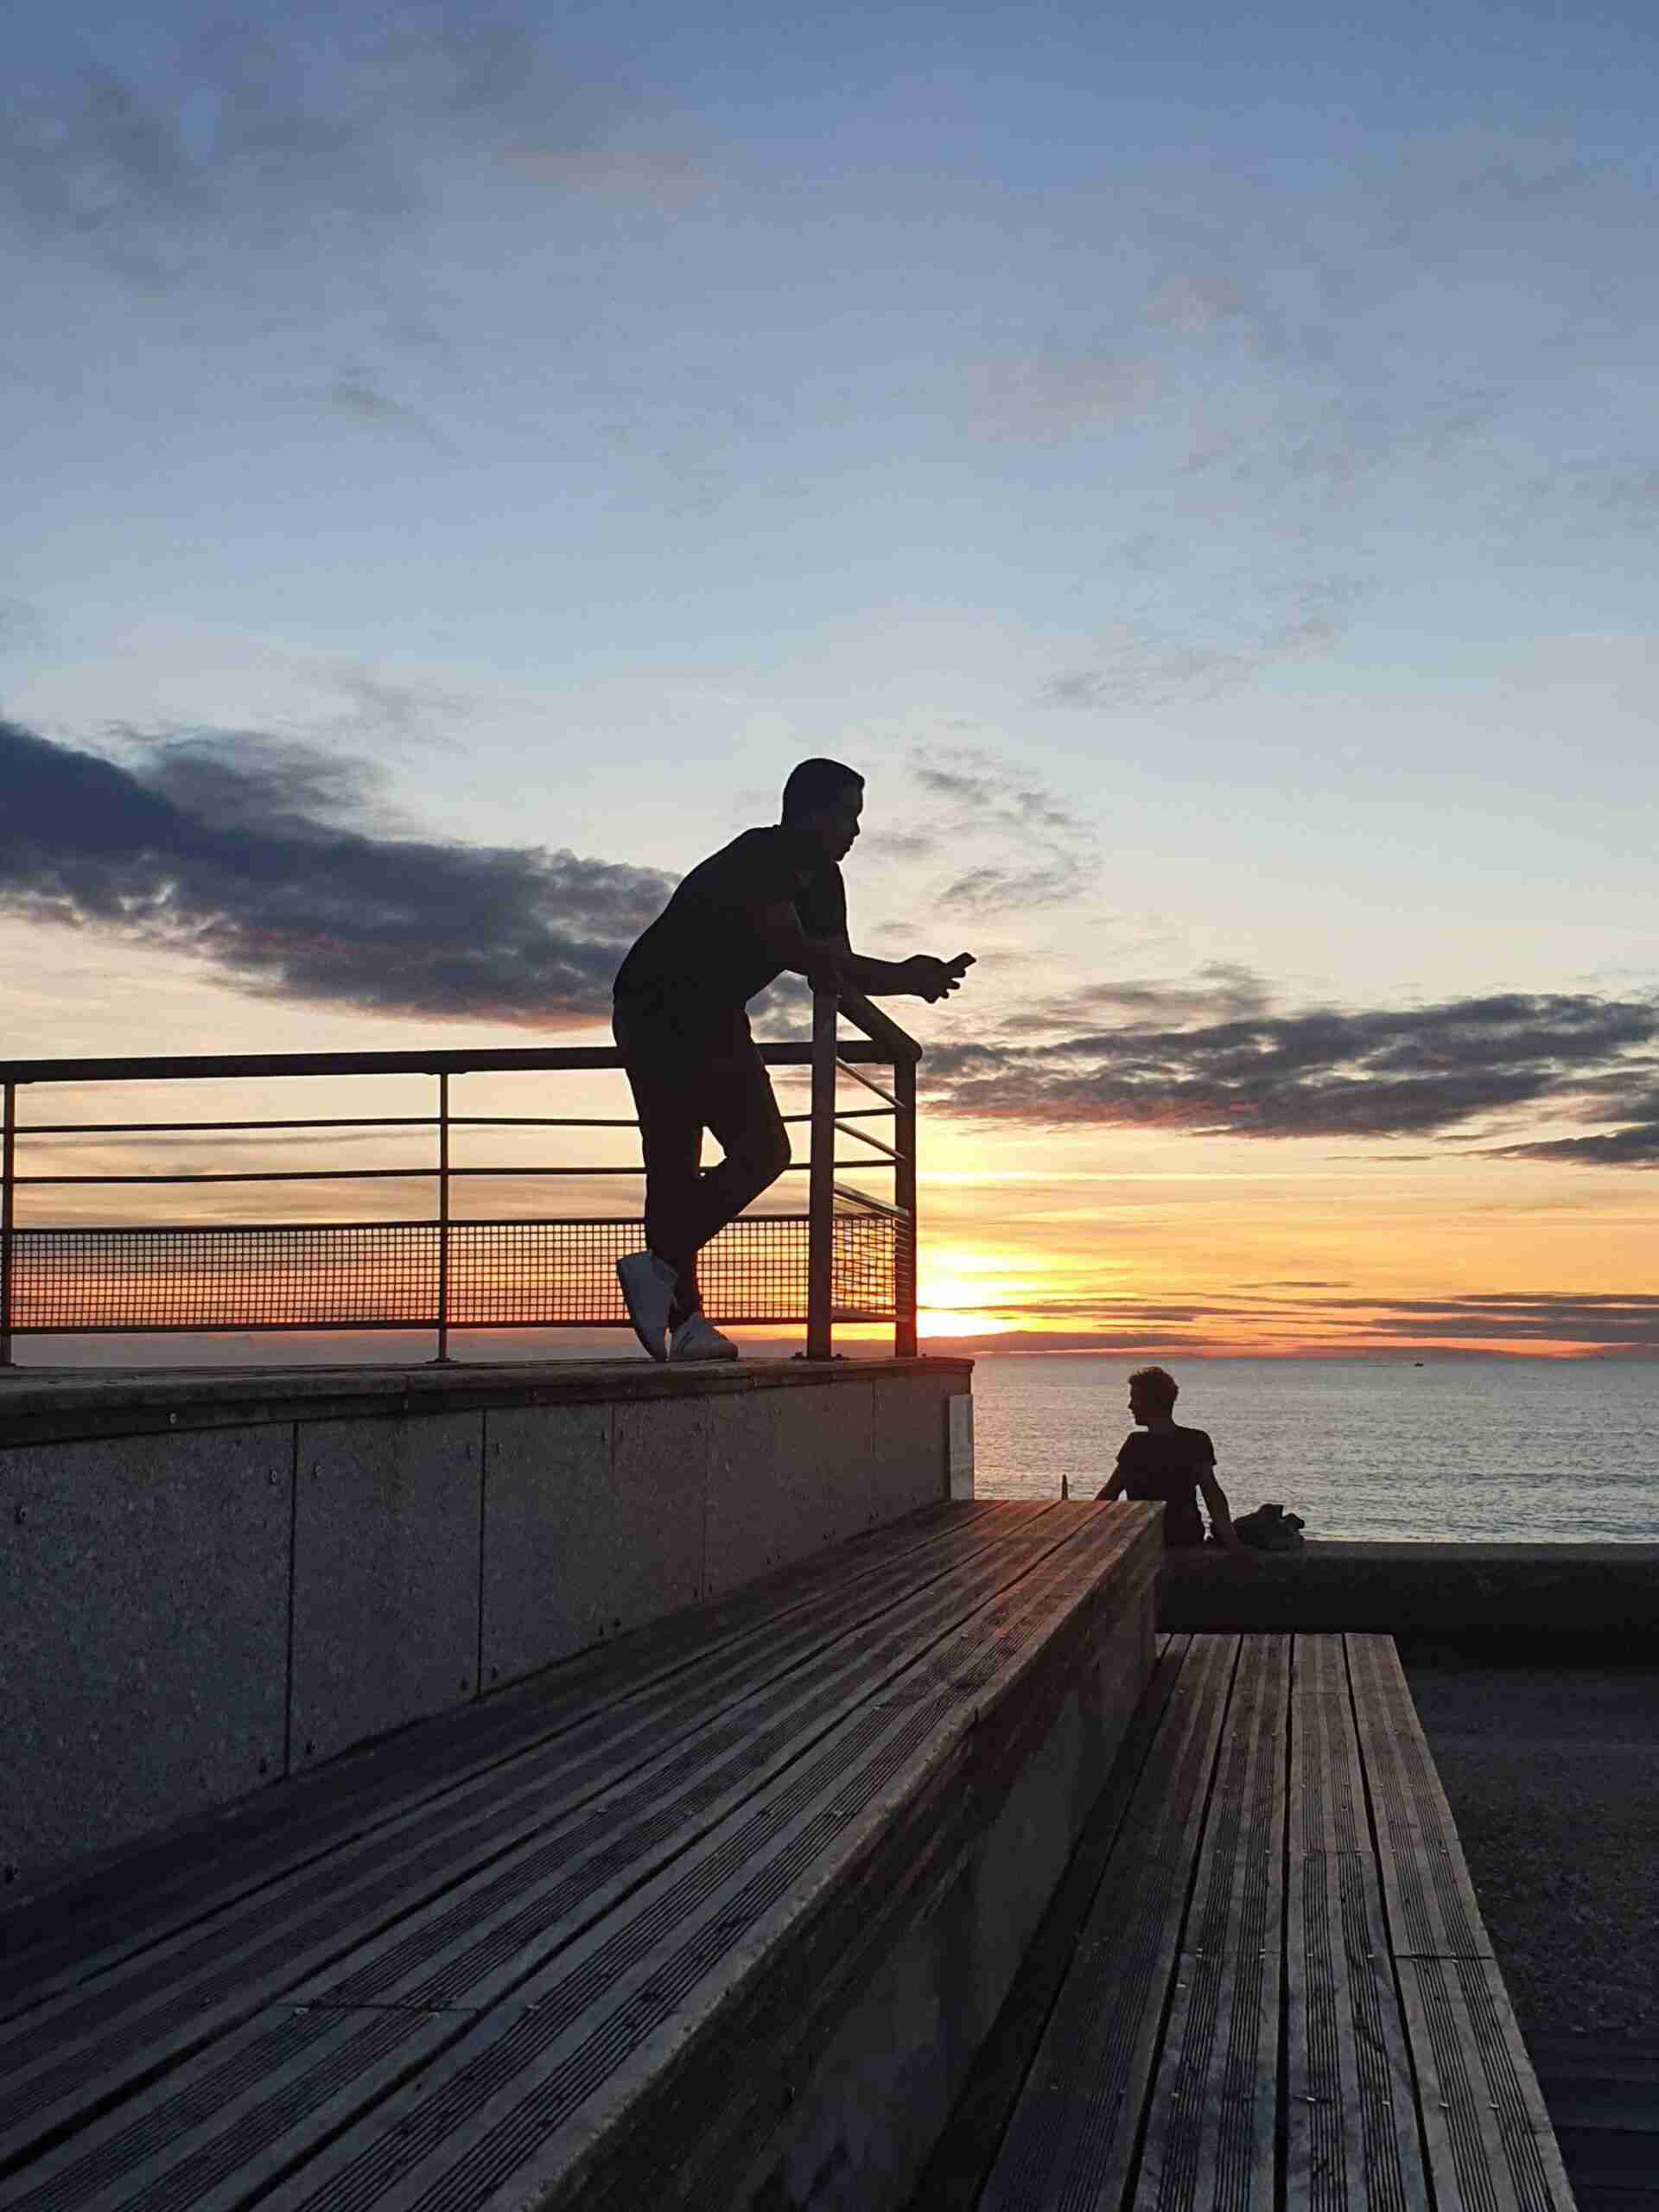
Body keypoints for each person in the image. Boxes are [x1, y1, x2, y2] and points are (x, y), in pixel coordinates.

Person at [612, 759, 975, 1362]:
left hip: (717, 1013)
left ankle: (662, 1274)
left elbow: (834, 972)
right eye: (847, 815)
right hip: (655, 1008)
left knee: (762, 1152)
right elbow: (800, 953)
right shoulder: (762, 856)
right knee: (677, 1162)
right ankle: (685, 1317)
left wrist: (914, 980)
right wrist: (903, 974)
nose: (855, 830)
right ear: (807, 812)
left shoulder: (827, 882)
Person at [1095, 1365, 1254, 1556]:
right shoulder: (1196, 1440)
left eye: (1135, 1399)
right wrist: (1233, 1543)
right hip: (1184, 1537)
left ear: (1152, 1402)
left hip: (1147, 1540)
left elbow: (1109, 1494)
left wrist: (1086, 1529)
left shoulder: (1136, 1444)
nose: (1130, 1406)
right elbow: (1212, 1495)